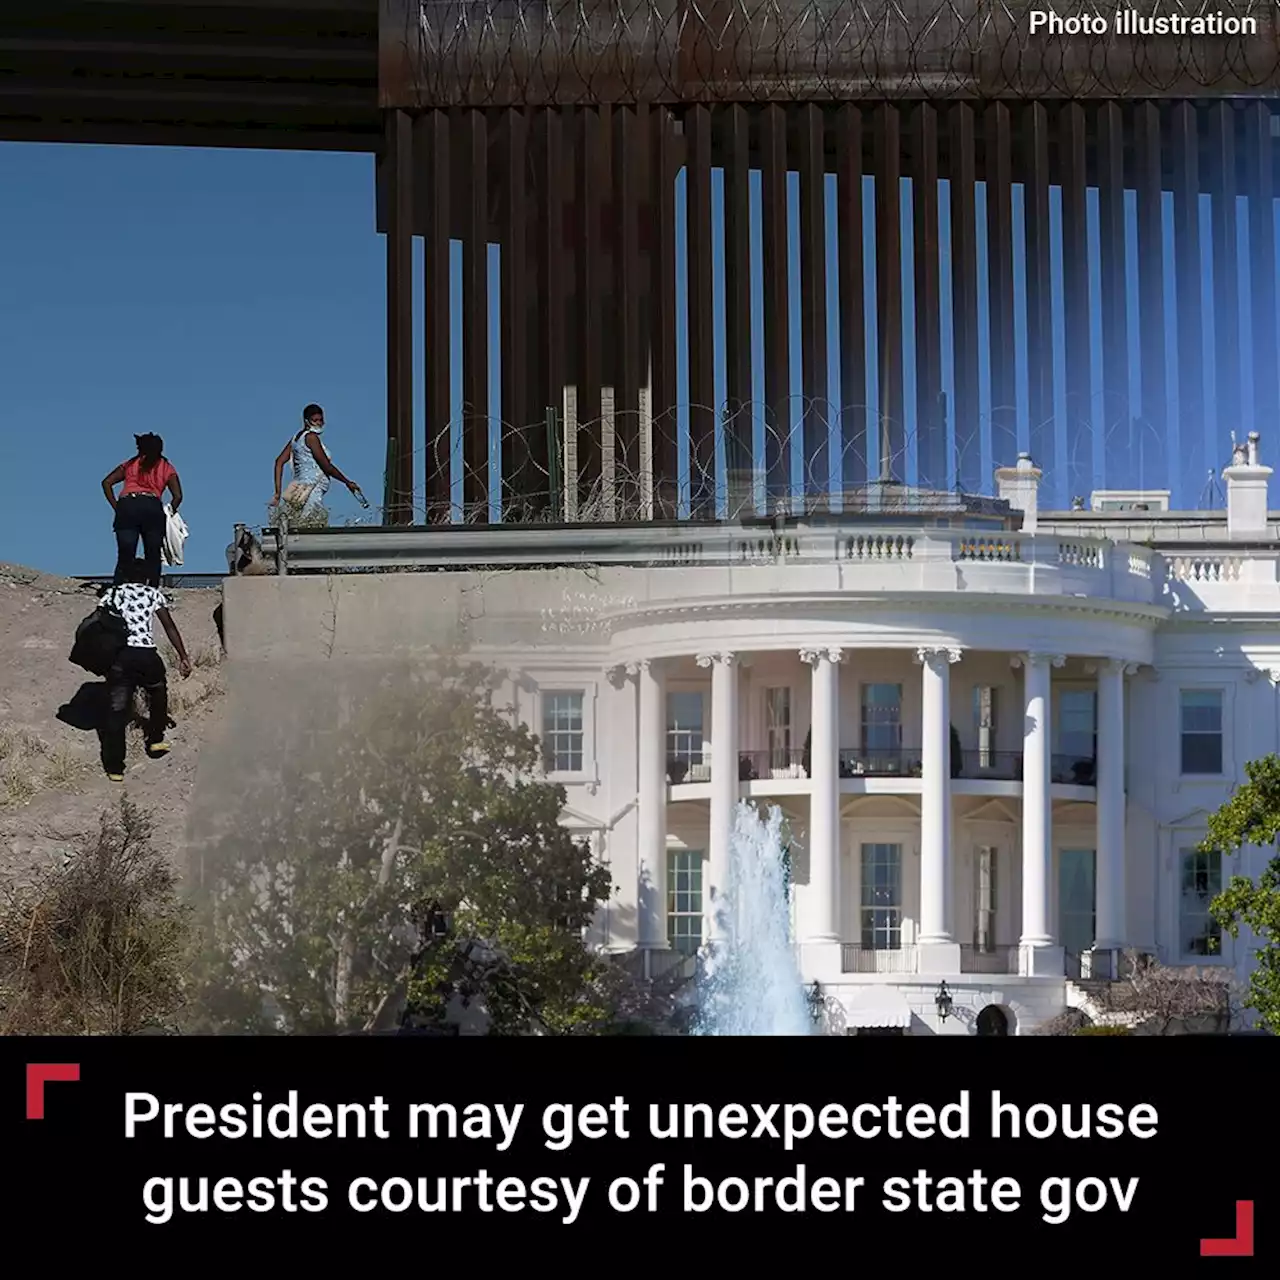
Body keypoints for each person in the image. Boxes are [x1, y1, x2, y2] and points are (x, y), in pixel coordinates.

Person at [99, 559, 192, 782]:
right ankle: (156, 738)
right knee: (158, 693)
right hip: (147, 654)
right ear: (147, 577)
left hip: (121, 656)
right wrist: (183, 655)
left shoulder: (113, 594)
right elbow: (169, 626)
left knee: (117, 709)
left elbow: (99, 622)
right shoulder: (153, 594)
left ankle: (115, 767)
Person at [102, 433, 183, 587]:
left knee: (125, 554)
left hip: (127, 506)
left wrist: (117, 506)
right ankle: (152, 590)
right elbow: (178, 496)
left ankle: (119, 589)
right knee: (152, 554)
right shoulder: (166, 467)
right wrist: (169, 511)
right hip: (152, 507)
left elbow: (106, 482)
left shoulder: (130, 464)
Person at [271, 403, 364, 522]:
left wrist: (278, 492)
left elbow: (279, 462)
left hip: (299, 490)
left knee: (297, 520)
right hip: (312, 488)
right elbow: (326, 466)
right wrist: (347, 482)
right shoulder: (311, 438)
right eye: (315, 420)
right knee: (311, 520)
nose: (319, 423)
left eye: (321, 420)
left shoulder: (296, 439)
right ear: (306, 421)